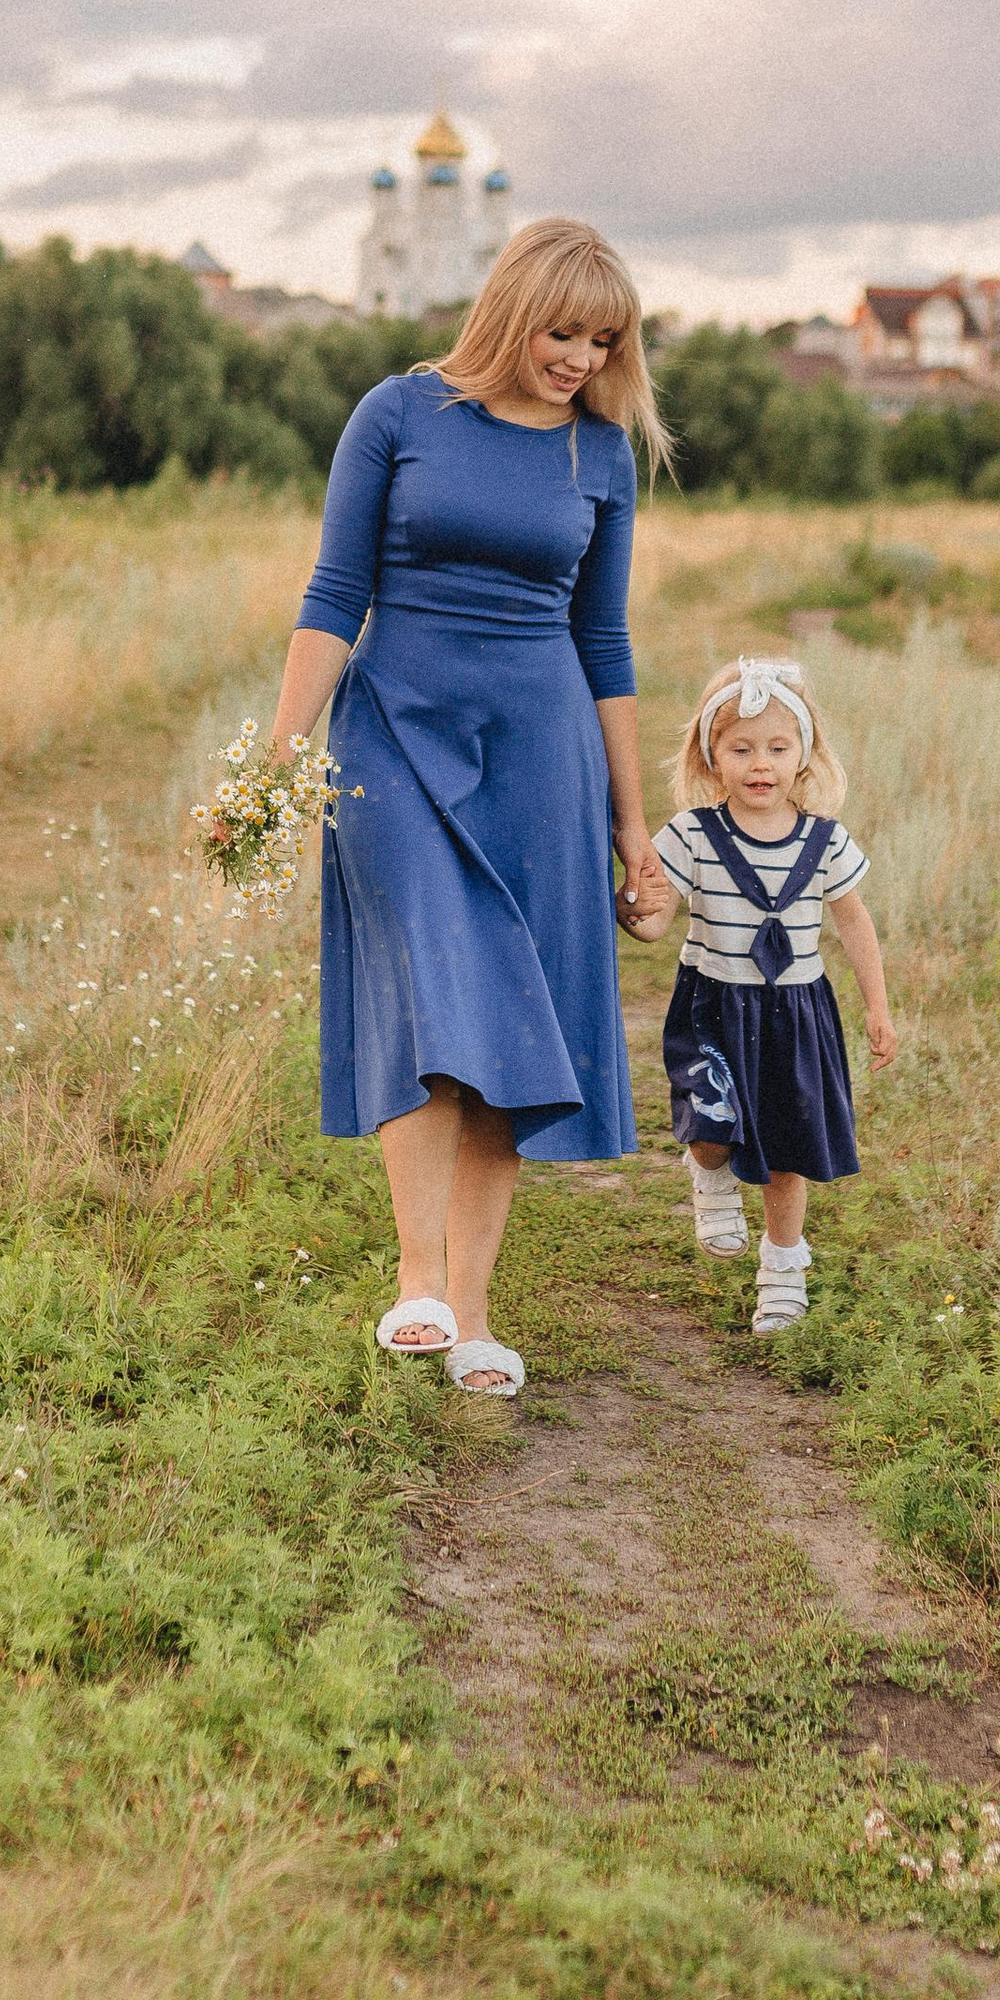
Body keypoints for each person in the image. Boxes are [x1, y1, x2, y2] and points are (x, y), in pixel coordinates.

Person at [268, 217, 675, 1398]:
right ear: (510, 312)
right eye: (564, 333)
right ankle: (418, 1281)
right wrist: (276, 759)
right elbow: (335, 592)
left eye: (604, 343)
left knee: (511, 1017)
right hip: (391, 737)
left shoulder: (599, 454)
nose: (581, 360)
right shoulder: (398, 414)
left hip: (542, 756)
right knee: (429, 985)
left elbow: (603, 640)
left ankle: (476, 1316)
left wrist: (631, 826)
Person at [652, 655, 896, 1335]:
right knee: (710, 1123)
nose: (760, 764)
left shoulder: (825, 841)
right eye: (741, 749)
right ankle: (709, 1173)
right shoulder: (693, 835)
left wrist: (878, 1008)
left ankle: (783, 1271)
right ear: (712, 758)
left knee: (789, 1151)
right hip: (712, 1007)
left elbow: (854, 922)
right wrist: (634, 908)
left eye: (778, 749)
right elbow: (655, 914)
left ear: (804, 756)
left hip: (795, 1013)